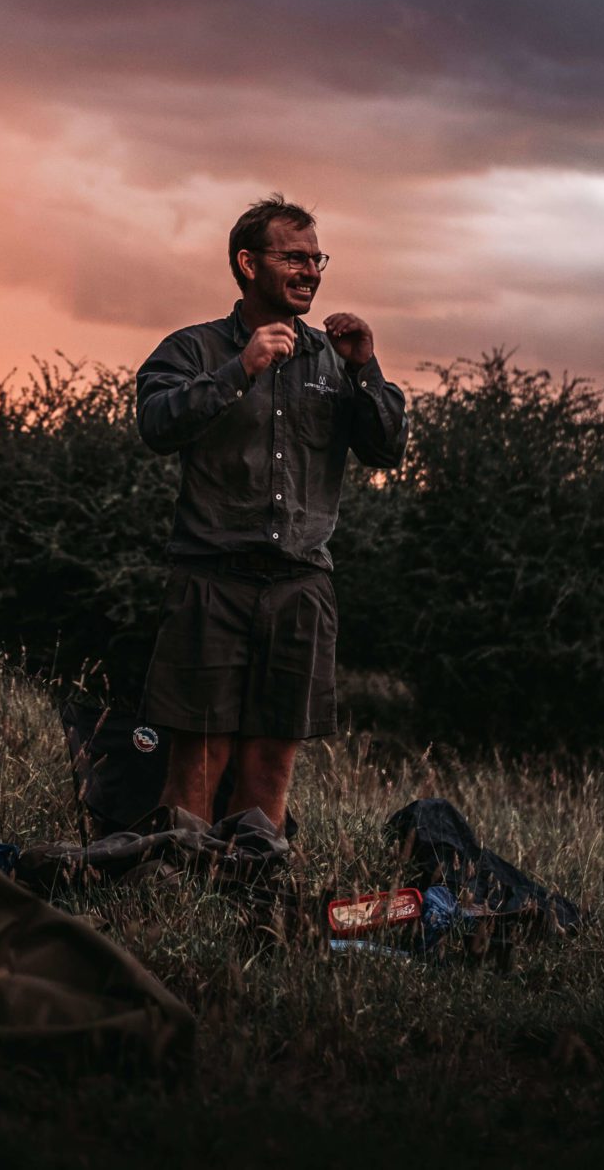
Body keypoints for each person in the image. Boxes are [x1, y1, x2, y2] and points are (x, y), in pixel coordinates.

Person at [133, 194, 406, 831]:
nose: (311, 271)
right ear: (248, 262)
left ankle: (250, 903)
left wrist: (367, 369)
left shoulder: (335, 360)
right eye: (295, 257)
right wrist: (241, 370)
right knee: (199, 759)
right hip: (211, 578)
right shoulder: (194, 348)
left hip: (300, 585)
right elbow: (156, 424)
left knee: (270, 764)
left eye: (318, 259)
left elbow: (387, 449)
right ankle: (182, 896)